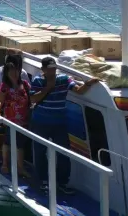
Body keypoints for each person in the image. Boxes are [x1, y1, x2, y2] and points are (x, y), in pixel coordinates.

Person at [30, 57, 100, 194]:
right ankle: (43, 182)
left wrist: (89, 83)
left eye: (54, 68)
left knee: (63, 153)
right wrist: (48, 88)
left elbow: (79, 90)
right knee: (39, 152)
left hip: (59, 123)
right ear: (43, 69)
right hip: (40, 122)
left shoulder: (64, 79)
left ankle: (61, 183)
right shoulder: (37, 80)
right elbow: (33, 98)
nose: (53, 70)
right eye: (49, 68)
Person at [0, 60, 31, 177]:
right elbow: (0, 100)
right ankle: (5, 164)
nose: (14, 73)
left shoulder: (25, 84)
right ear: (7, 72)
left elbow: (31, 98)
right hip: (10, 119)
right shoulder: (4, 86)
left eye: (16, 70)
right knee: (8, 141)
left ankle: (20, 168)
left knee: (20, 144)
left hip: (23, 119)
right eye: (11, 71)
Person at [0, 54, 29, 160]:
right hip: (4, 110)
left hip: (20, 115)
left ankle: (13, 161)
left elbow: (29, 91)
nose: (14, 71)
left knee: (18, 140)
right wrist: (4, 94)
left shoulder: (23, 74)